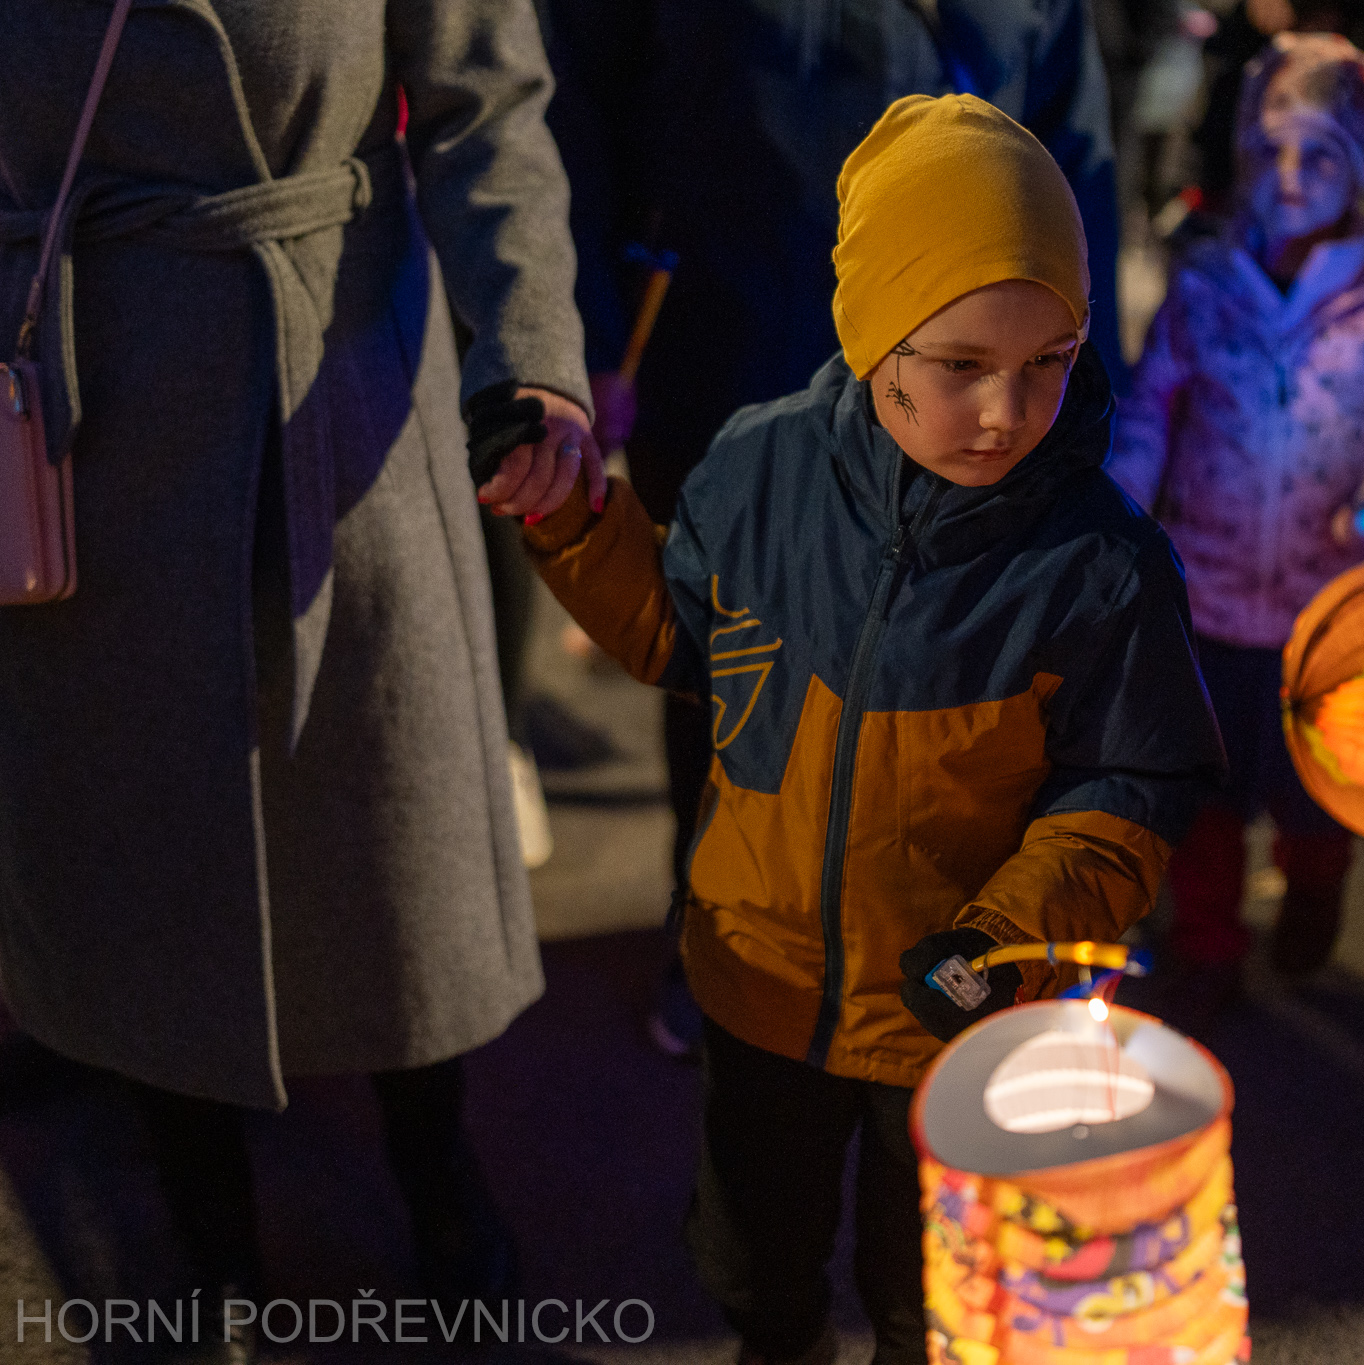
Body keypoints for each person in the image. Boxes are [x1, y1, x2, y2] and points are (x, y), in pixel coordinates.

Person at [494, 95, 1224, 1365]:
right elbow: (679, 638)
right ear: (875, 329)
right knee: (756, 1264)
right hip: (760, 983)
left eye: (1047, 362)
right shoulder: (756, 468)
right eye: (961, 365)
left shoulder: (1098, 567)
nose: (1005, 412)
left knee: (926, 1298)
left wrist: (1005, 936)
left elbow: (1128, 780)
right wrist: (571, 523)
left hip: (952, 1014)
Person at [0, 0, 590, 1351]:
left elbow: (487, 103)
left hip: (337, 367)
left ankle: (436, 1172)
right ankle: (205, 1236)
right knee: (142, 847)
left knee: (386, 827)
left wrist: (532, 353)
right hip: (71, 402)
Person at [538, 0, 1130, 1054]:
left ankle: (934, 963)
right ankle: (726, 944)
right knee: (734, 683)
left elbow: (1072, 155)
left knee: (957, 690)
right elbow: (572, 107)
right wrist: (582, 329)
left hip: (963, 381)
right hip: (723, 350)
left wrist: (1088, 395)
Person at [1108, 34, 1364, 1026]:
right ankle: (1208, 944)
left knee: (1317, 790)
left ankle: (1314, 886)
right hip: (1208, 598)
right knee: (1203, 792)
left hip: (1326, 612)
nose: (1288, 174)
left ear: (1353, 164)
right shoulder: (1204, 288)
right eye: (1267, 150)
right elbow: (1150, 411)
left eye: (1316, 152)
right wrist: (1119, 515)